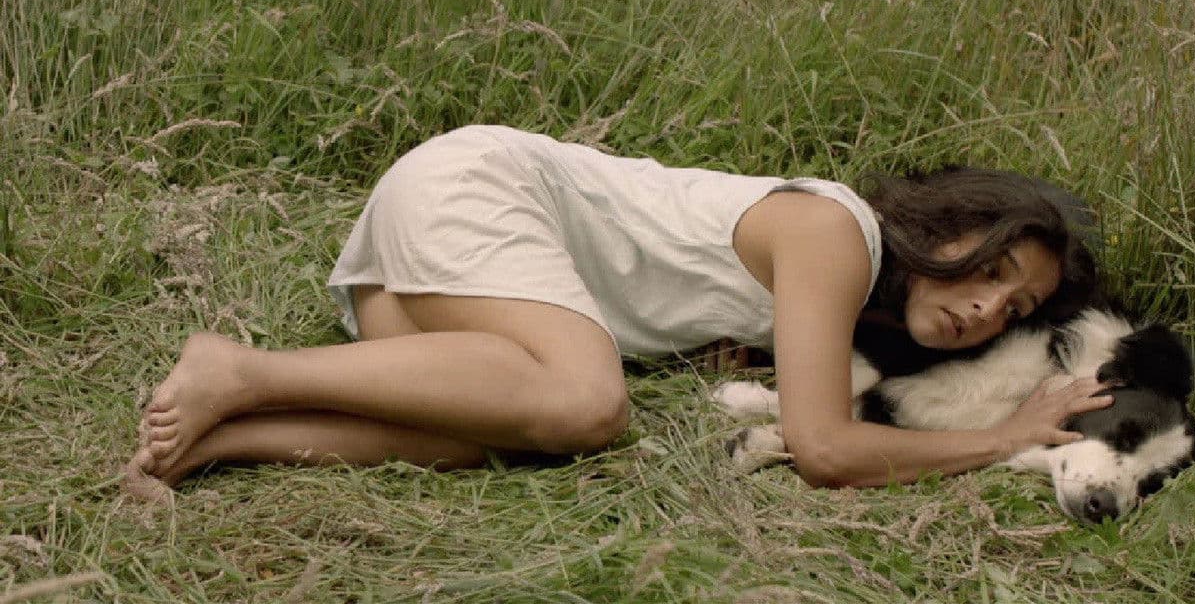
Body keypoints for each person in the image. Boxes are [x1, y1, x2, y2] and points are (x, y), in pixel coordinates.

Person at [124, 125, 1113, 495]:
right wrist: (1004, 438)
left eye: (1015, 305)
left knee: (485, 439)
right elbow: (823, 447)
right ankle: (241, 368)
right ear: (949, 222)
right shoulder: (835, 234)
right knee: (587, 404)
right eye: (989, 267)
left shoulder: (847, 296)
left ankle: (220, 441)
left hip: (449, 255)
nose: (986, 307)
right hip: (481, 190)